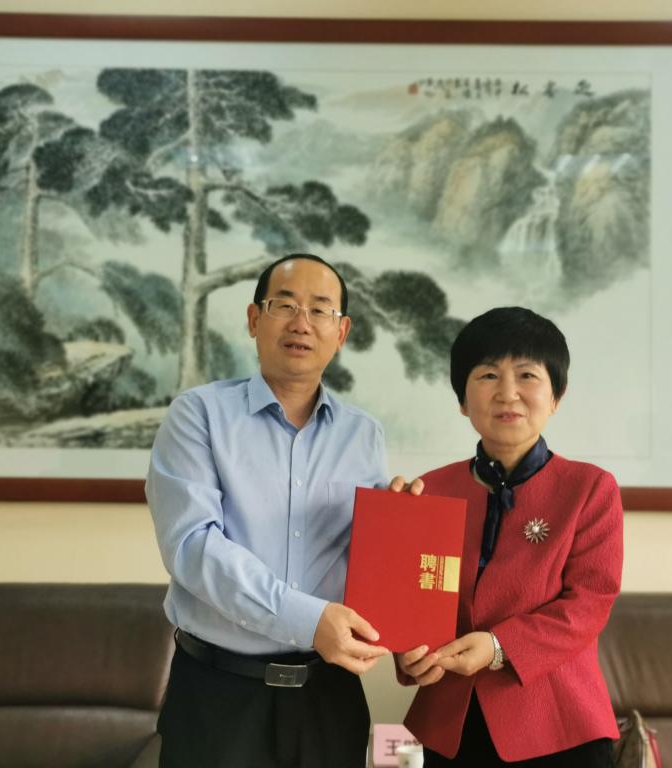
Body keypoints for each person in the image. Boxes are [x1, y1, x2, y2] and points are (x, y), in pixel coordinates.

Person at [147, 253, 409, 768]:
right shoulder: (198, 415)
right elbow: (194, 547)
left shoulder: (363, 435)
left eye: (320, 309)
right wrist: (307, 620)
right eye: (284, 305)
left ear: (342, 331)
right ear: (254, 319)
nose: (301, 323)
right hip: (219, 695)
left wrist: (404, 526)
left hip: (328, 697)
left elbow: (368, 559)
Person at [397, 306, 623, 767]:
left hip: (559, 726)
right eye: (487, 376)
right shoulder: (428, 490)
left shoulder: (590, 488)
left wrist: (498, 646)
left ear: (556, 396)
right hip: (448, 725)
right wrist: (406, 651)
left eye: (526, 375)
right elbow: (410, 598)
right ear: (462, 400)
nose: (507, 392)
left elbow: (589, 603)